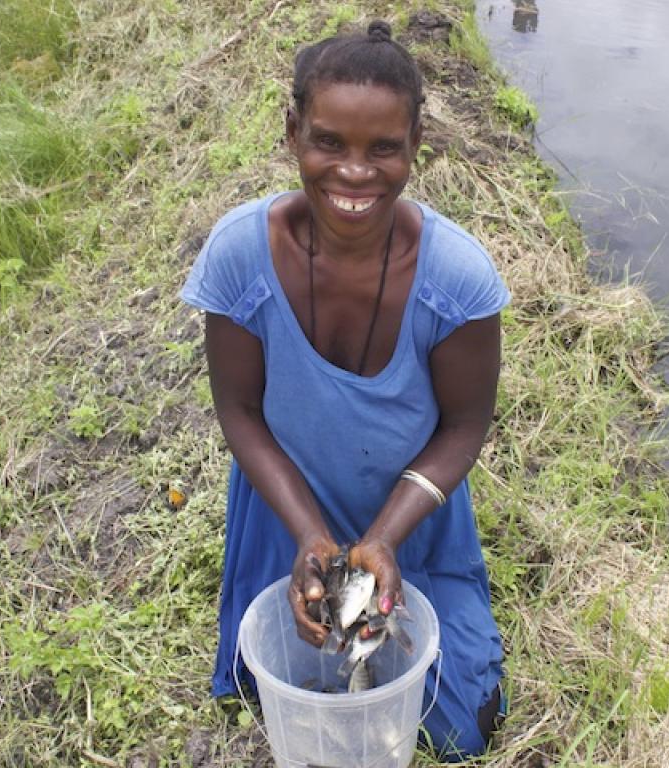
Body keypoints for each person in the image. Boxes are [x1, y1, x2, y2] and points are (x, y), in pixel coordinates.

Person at [180, 20, 508, 759]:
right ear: (294, 132)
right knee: (283, 680)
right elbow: (238, 410)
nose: (354, 173)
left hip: (412, 514)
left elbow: (463, 428)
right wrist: (308, 537)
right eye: (329, 142)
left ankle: (415, 578)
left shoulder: (456, 279)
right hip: (286, 508)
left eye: (382, 148)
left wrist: (386, 537)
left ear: (415, 143)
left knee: (461, 728)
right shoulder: (240, 256)